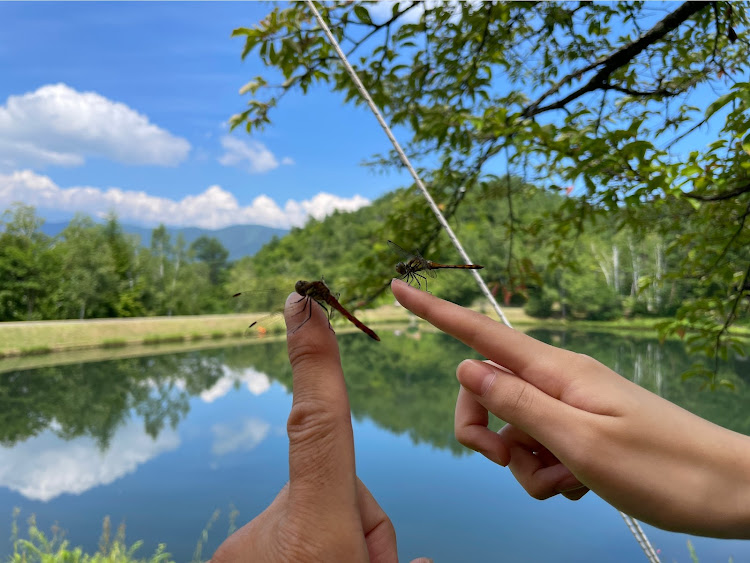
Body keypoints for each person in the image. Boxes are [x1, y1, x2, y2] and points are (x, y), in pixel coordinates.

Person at [212, 278, 750, 562]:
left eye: (309, 295)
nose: (306, 297)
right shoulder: (314, 300)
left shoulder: (308, 305)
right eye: (309, 296)